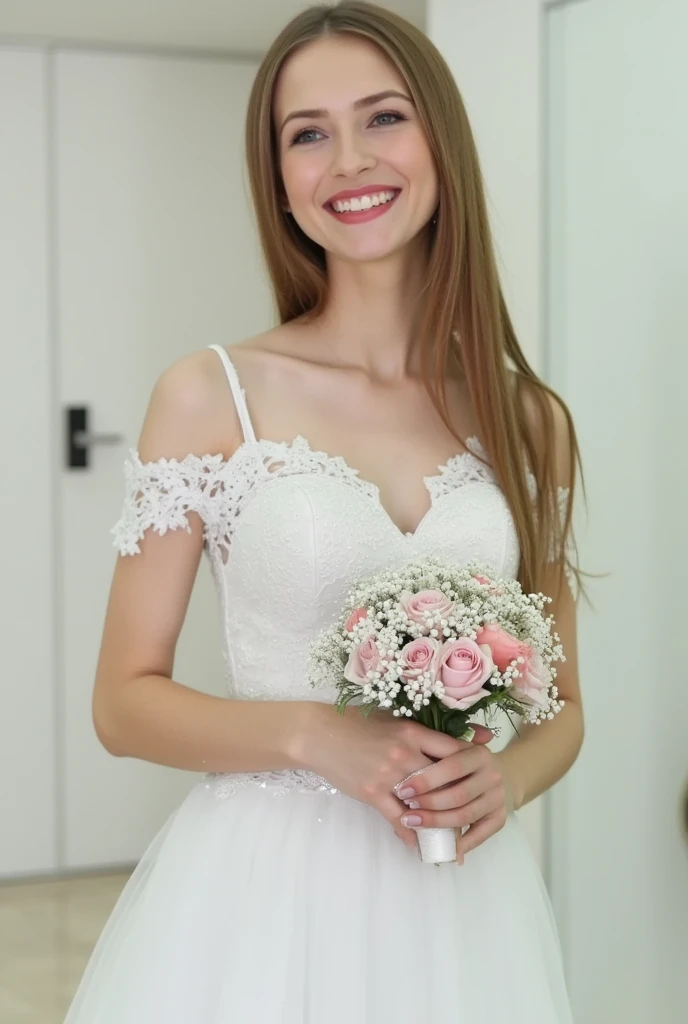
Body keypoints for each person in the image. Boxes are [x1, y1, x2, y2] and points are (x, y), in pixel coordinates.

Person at [64, 3, 583, 1021]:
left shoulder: (528, 420)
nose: (348, 159)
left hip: (457, 897)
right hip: (260, 891)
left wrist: (508, 782)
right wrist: (317, 737)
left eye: (382, 117)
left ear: (439, 138)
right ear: (280, 179)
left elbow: (561, 712)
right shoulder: (211, 394)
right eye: (307, 133)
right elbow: (122, 703)